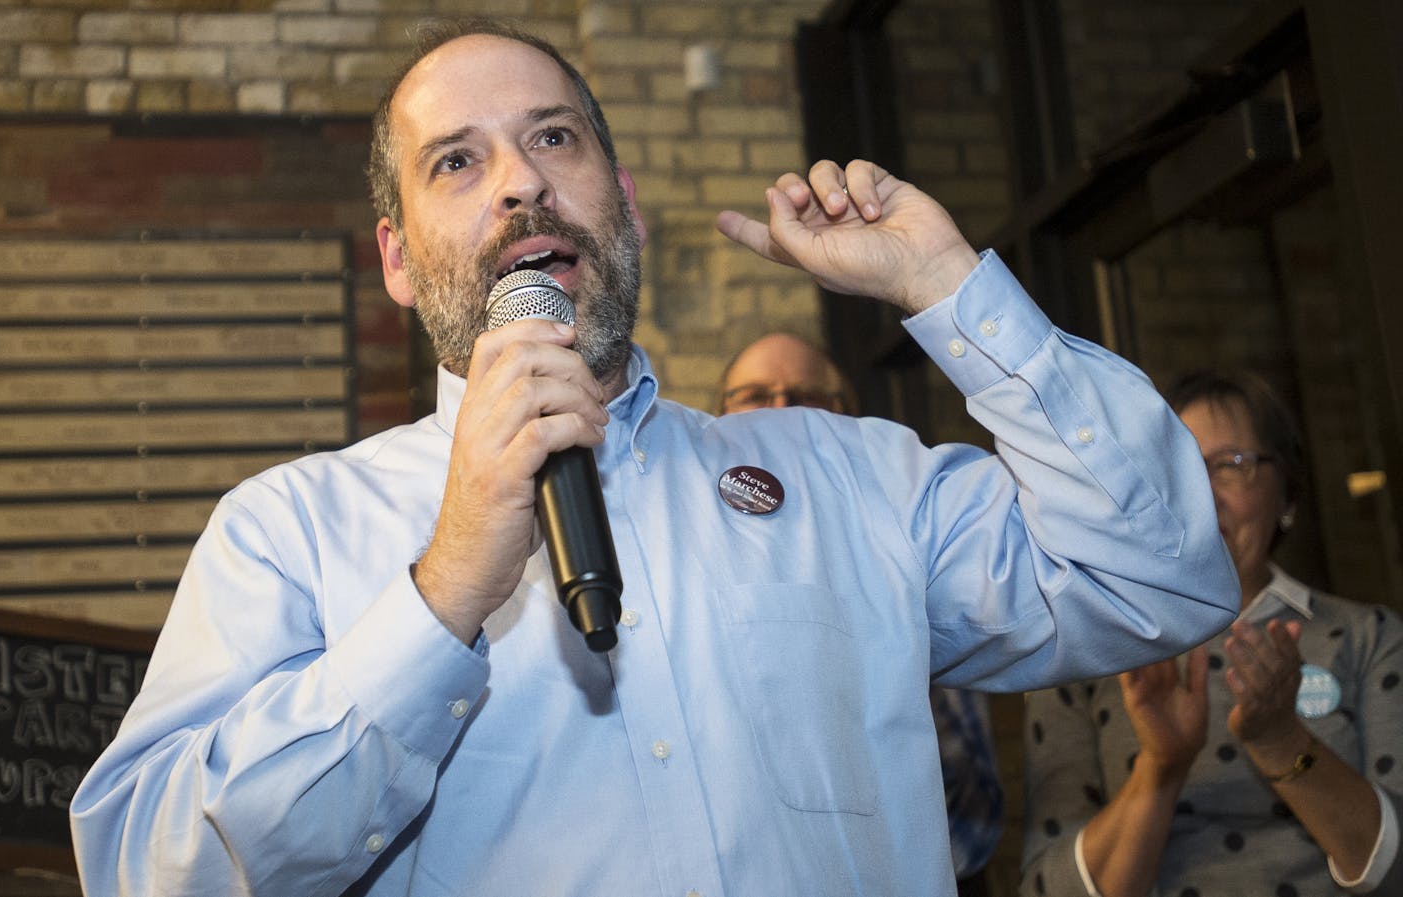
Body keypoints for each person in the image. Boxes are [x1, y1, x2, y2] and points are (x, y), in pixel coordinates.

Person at [69, 17, 1239, 897]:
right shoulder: (289, 528)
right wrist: (445, 592)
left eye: (553, 139)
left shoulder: (848, 479)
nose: (521, 182)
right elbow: (150, 866)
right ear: (395, 257)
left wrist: (949, 288)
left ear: (620, 203)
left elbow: (1161, 580)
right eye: (456, 163)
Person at [1020, 370, 1403, 897]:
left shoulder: (1369, 638)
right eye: (1174, 470)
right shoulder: (1081, 654)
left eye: (1230, 466)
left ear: (1287, 496)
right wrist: (1161, 766)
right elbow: (1046, 887)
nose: (1200, 495)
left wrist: (1280, 739)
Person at [717, 332, 1005, 891]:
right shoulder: (687, 554)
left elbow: (968, 779)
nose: (781, 412)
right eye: (755, 395)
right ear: (716, 415)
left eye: (805, 396)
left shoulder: (900, 529)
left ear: (847, 414)